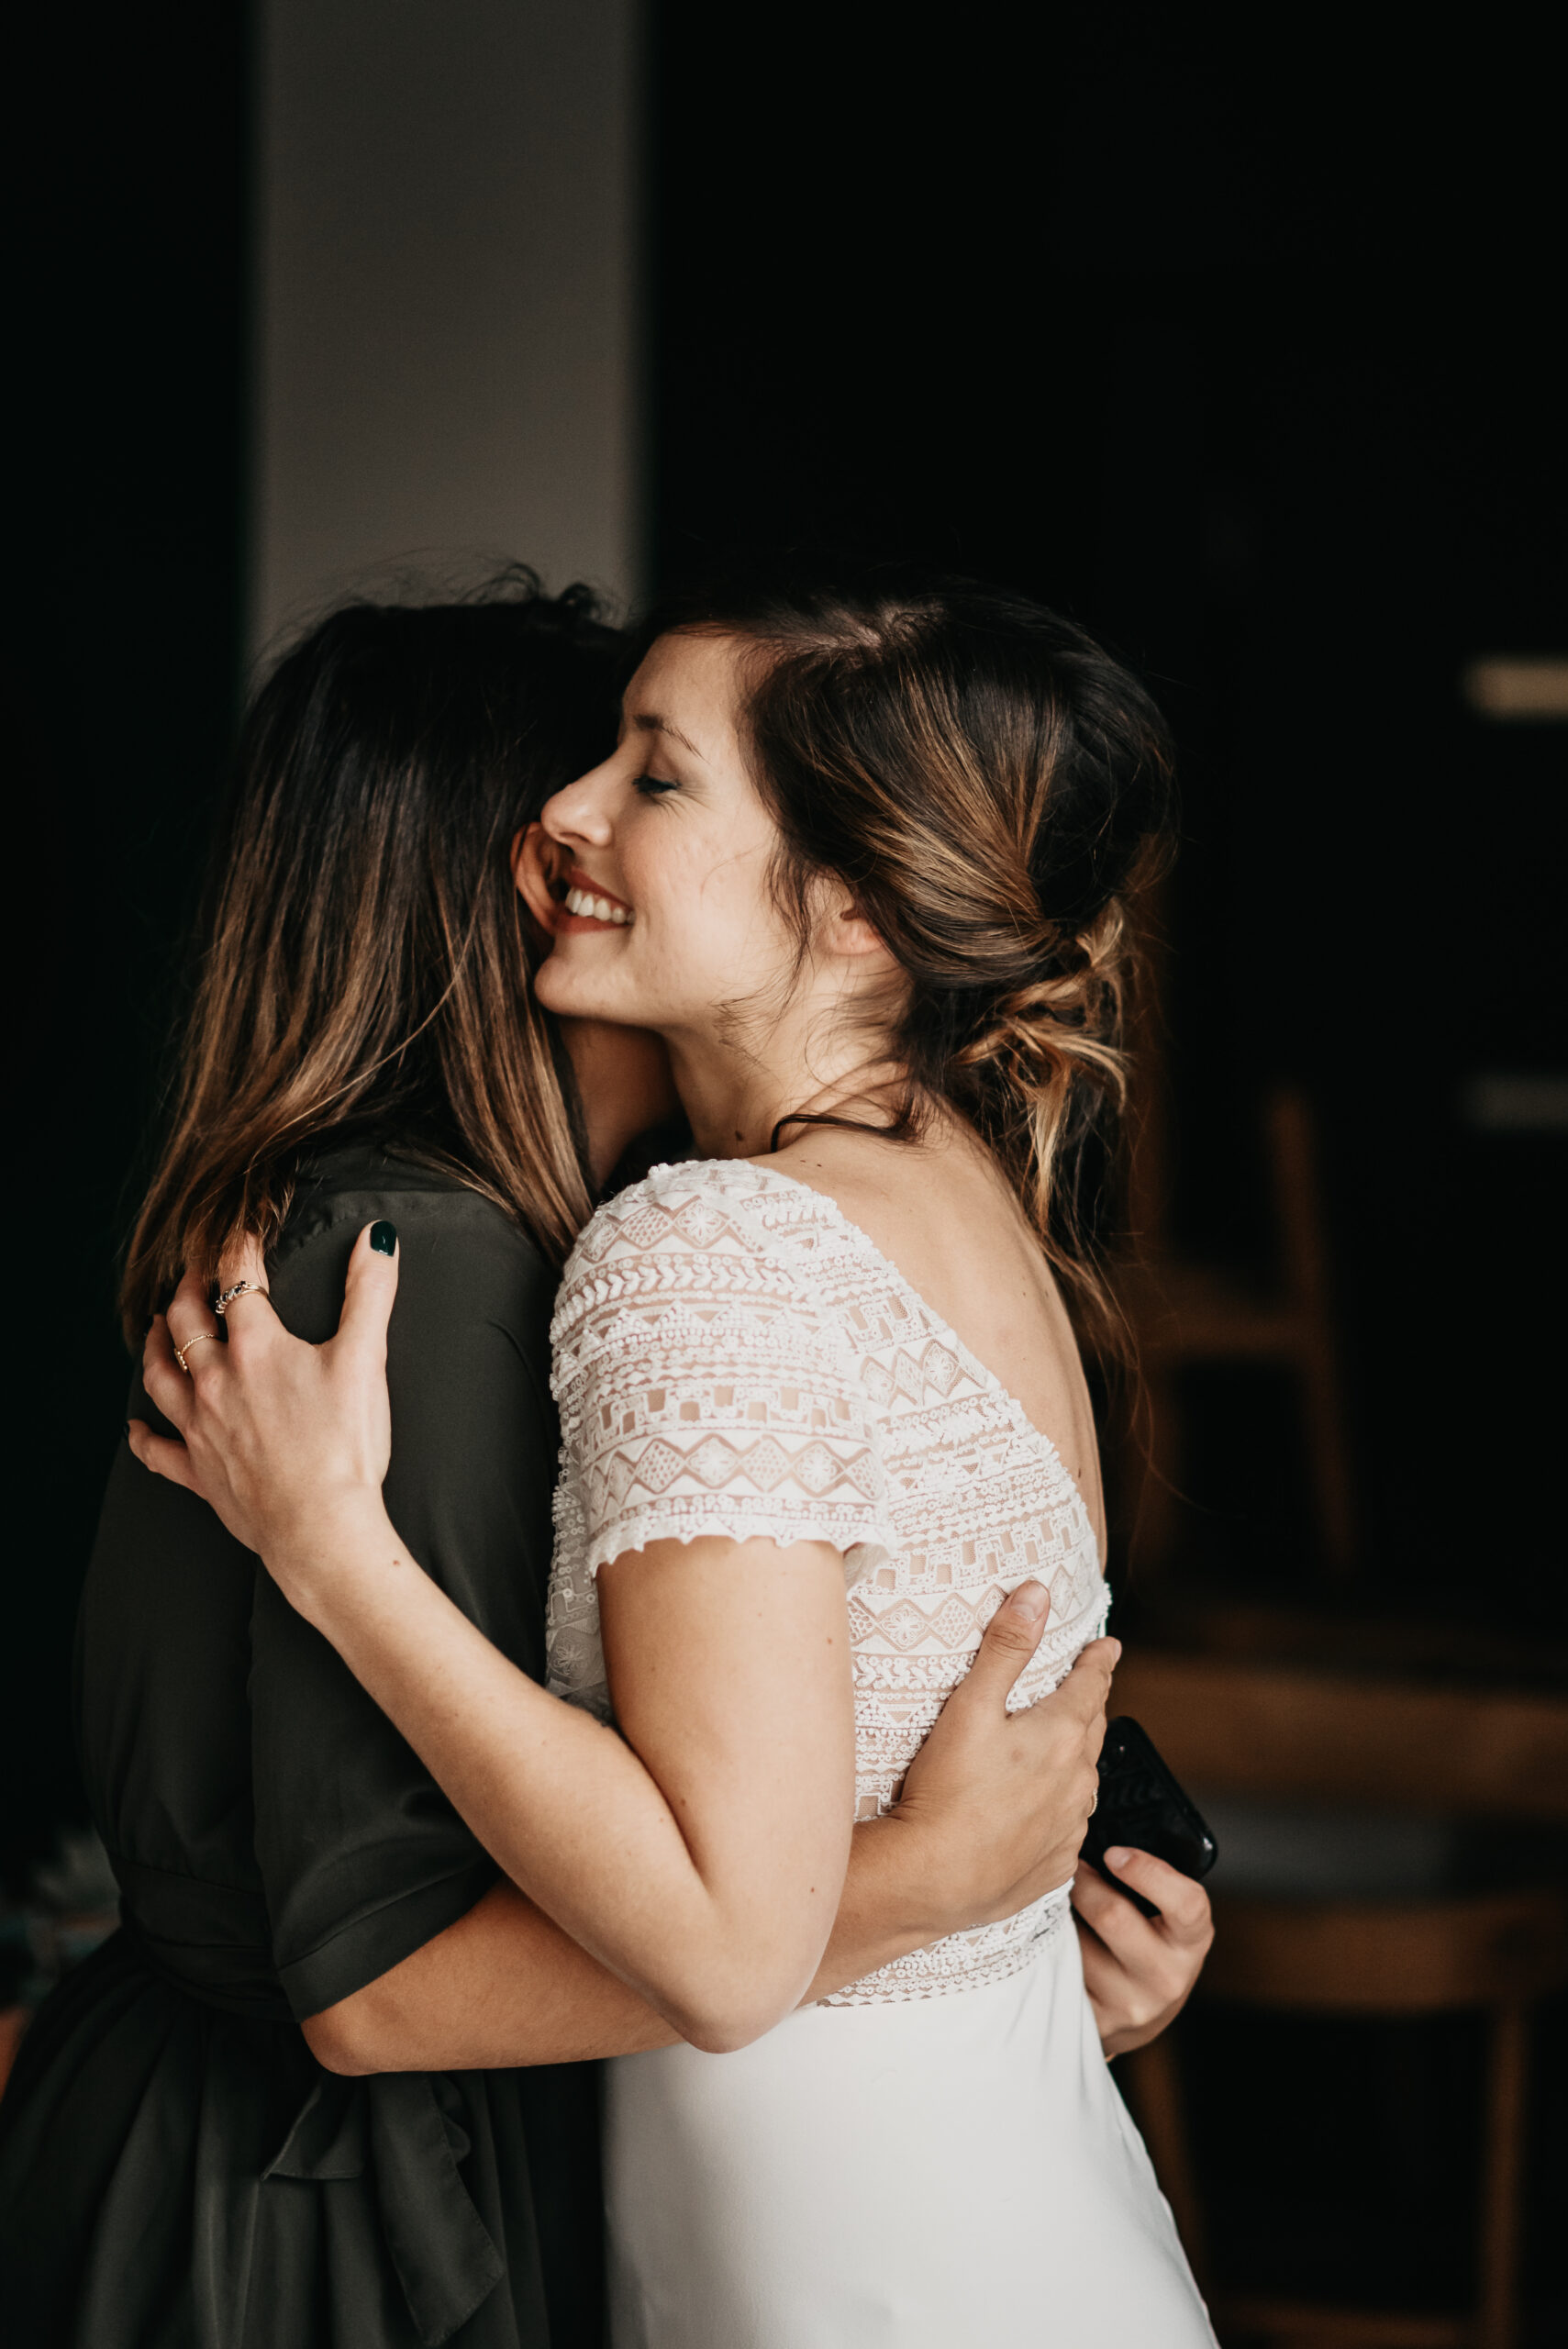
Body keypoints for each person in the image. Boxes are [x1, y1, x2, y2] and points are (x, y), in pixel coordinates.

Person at [0, 576, 1199, 2349]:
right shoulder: (946, 1194)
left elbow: (779, 1850)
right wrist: (949, 1906)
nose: (564, 830)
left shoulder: (717, 1240)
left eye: (653, 778)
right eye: (585, 768)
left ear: (856, 907)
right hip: (944, 2192)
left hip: (851, 2246)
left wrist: (1014, 1903)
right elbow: (450, 1962)